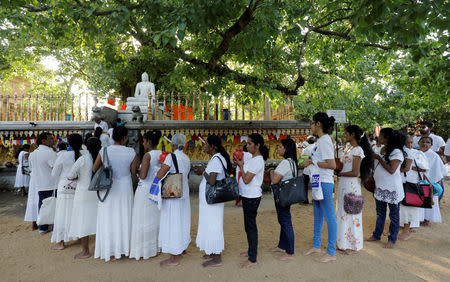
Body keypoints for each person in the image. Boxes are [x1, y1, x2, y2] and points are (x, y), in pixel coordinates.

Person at [93, 126, 138, 262]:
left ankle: (110, 251)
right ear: (125, 138)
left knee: (108, 217)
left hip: (108, 187)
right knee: (124, 216)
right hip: (125, 187)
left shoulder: (104, 150)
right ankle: (125, 248)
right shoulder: (131, 152)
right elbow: (133, 171)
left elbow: (95, 168)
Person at [302, 112, 337, 263]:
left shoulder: (325, 140)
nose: (310, 126)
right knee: (317, 214)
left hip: (325, 182)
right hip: (317, 180)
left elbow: (332, 164)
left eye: (312, 123)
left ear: (318, 124)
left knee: (329, 216)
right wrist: (311, 161)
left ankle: (331, 252)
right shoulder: (320, 141)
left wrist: (311, 163)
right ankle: (316, 245)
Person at [194, 135, 232, 267]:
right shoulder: (216, 158)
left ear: (213, 147)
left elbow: (211, 181)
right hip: (209, 199)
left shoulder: (216, 160)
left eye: (206, 144)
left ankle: (217, 258)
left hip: (213, 199)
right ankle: (211, 251)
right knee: (208, 224)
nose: (204, 146)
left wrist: (202, 171)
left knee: (213, 225)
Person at [335, 125, 373, 254]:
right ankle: (342, 243)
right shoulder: (348, 149)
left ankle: (353, 245)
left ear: (352, 135)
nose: (344, 135)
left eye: (346, 133)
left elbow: (355, 172)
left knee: (352, 215)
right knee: (342, 214)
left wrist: (340, 174)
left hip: (351, 185)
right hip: (343, 185)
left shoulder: (357, 150)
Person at [156, 133, 191, 267]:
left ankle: (173, 258)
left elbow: (160, 175)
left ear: (173, 145)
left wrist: (159, 168)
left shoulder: (171, 157)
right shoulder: (186, 158)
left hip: (173, 195)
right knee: (182, 220)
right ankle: (182, 249)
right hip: (183, 194)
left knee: (172, 223)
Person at [234, 133, 268, 268]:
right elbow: (240, 157)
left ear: (257, 145)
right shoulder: (251, 157)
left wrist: (241, 166)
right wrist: (237, 161)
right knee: (248, 226)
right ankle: (250, 251)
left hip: (252, 196)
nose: (247, 146)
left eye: (249, 144)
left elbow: (247, 180)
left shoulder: (258, 160)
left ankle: (252, 258)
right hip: (247, 195)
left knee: (251, 227)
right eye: (247, 143)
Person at [367, 128, 405, 249]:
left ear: (387, 138)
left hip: (392, 188)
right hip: (380, 187)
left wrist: (378, 158)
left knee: (394, 215)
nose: (379, 138)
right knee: (380, 213)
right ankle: (377, 235)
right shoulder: (381, 148)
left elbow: (391, 170)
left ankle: (392, 239)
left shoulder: (397, 152)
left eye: (381, 136)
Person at [130, 130, 162, 260]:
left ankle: (143, 248)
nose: (143, 144)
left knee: (142, 217)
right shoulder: (161, 154)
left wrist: (136, 171)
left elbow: (143, 176)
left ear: (148, 141)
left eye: (143, 141)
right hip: (155, 188)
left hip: (144, 190)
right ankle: (155, 246)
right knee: (154, 217)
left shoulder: (147, 156)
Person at [67, 137, 101, 259]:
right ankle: (100, 248)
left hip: (83, 194)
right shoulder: (102, 158)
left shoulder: (83, 159)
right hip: (99, 194)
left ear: (87, 146)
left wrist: (78, 178)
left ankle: (85, 251)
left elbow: (70, 176)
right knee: (99, 220)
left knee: (83, 221)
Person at [51, 134, 85, 250]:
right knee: (77, 212)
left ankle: (60, 242)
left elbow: (54, 174)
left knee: (62, 213)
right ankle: (80, 237)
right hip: (79, 187)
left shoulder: (63, 155)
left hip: (64, 187)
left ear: (68, 143)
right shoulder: (85, 155)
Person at [268, 138, 298, 261]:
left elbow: (274, 180)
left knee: (285, 221)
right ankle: (282, 245)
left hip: (282, 195)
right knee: (283, 220)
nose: (278, 149)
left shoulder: (286, 163)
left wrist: (271, 171)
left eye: (280, 147)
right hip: (288, 195)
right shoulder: (292, 162)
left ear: (286, 149)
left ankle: (290, 251)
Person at [398, 136, 429, 240]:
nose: (410, 145)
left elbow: (424, 168)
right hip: (398, 182)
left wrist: (409, 166)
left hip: (411, 184)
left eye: (411, 143)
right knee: (399, 206)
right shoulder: (398, 153)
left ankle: (407, 230)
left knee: (409, 206)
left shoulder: (418, 153)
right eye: (407, 143)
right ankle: (398, 227)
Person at [28, 132, 57, 234]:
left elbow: (31, 169)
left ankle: (42, 227)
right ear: (43, 141)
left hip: (39, 184)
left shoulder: (32, 154)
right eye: (50, 139)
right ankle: (54, 227)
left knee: (42, 205)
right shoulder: (50, 153)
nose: (52, 140)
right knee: (53, 205)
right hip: (51, 183)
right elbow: (55, 169)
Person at [419, 136, 446, 225]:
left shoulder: (434, 156)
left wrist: (436, 183)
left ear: (431, 145)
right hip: (418, 180)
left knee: (428, 199)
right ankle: (418, 218)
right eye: (423, 141)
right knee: (418, 198)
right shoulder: (416, 153)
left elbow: (439, 170)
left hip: (430, 181)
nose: (425, 144)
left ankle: (427, 219)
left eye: (428, 142)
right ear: (418, 143)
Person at [301, 136, 316, 204]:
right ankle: (314, 199)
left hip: (307, 169)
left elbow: (302, 158)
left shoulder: (306, 149)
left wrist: (307, 159)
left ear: (308, 141)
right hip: (315, 169)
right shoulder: (317, 148)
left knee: (305, 186)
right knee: (315, 185)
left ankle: (305, 200)